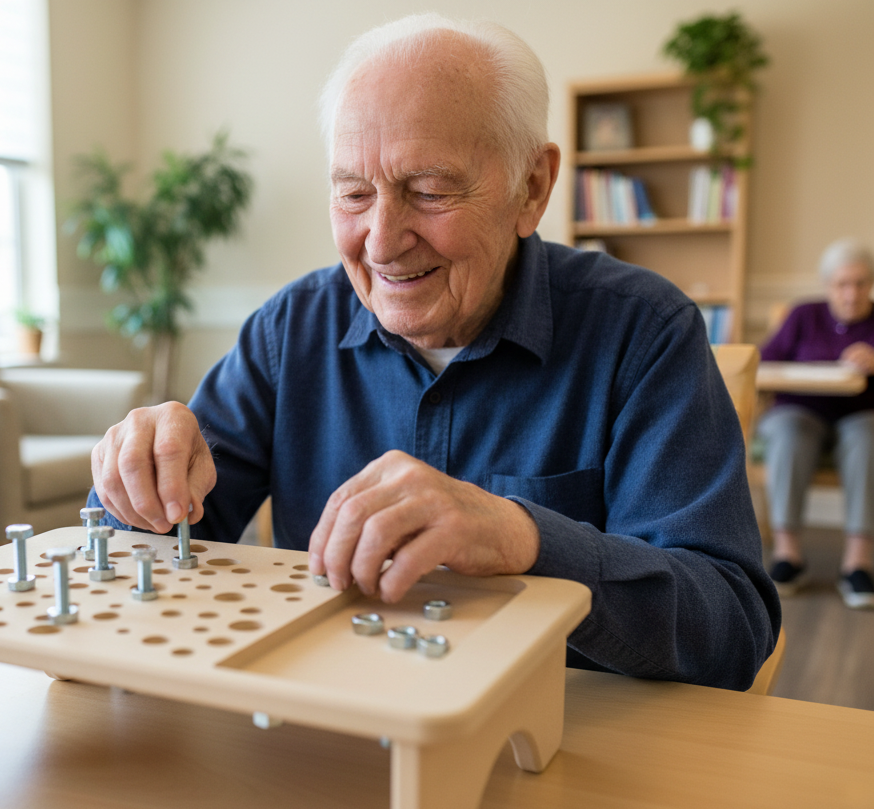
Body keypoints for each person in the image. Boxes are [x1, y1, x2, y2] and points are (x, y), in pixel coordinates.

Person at [87, 15, 779, 690]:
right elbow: (148, 543)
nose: (382, 242)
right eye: (353, 193)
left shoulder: (644, 332)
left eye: (430, 191)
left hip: (558, 748)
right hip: (323, 730)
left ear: (530, 188)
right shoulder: (288, 331)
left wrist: (526, 540)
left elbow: (731, 628)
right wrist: (139, 474)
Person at [758, 239, 874, 609]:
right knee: (789, 433)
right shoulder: (803, 315)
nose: (851, 293)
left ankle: (859, 561)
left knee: (868, 438)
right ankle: (788, 555)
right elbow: (764, 363)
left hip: (860, 415)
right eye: (842, 284)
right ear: (828, 286)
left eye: (860, 283)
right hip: (800, 412)